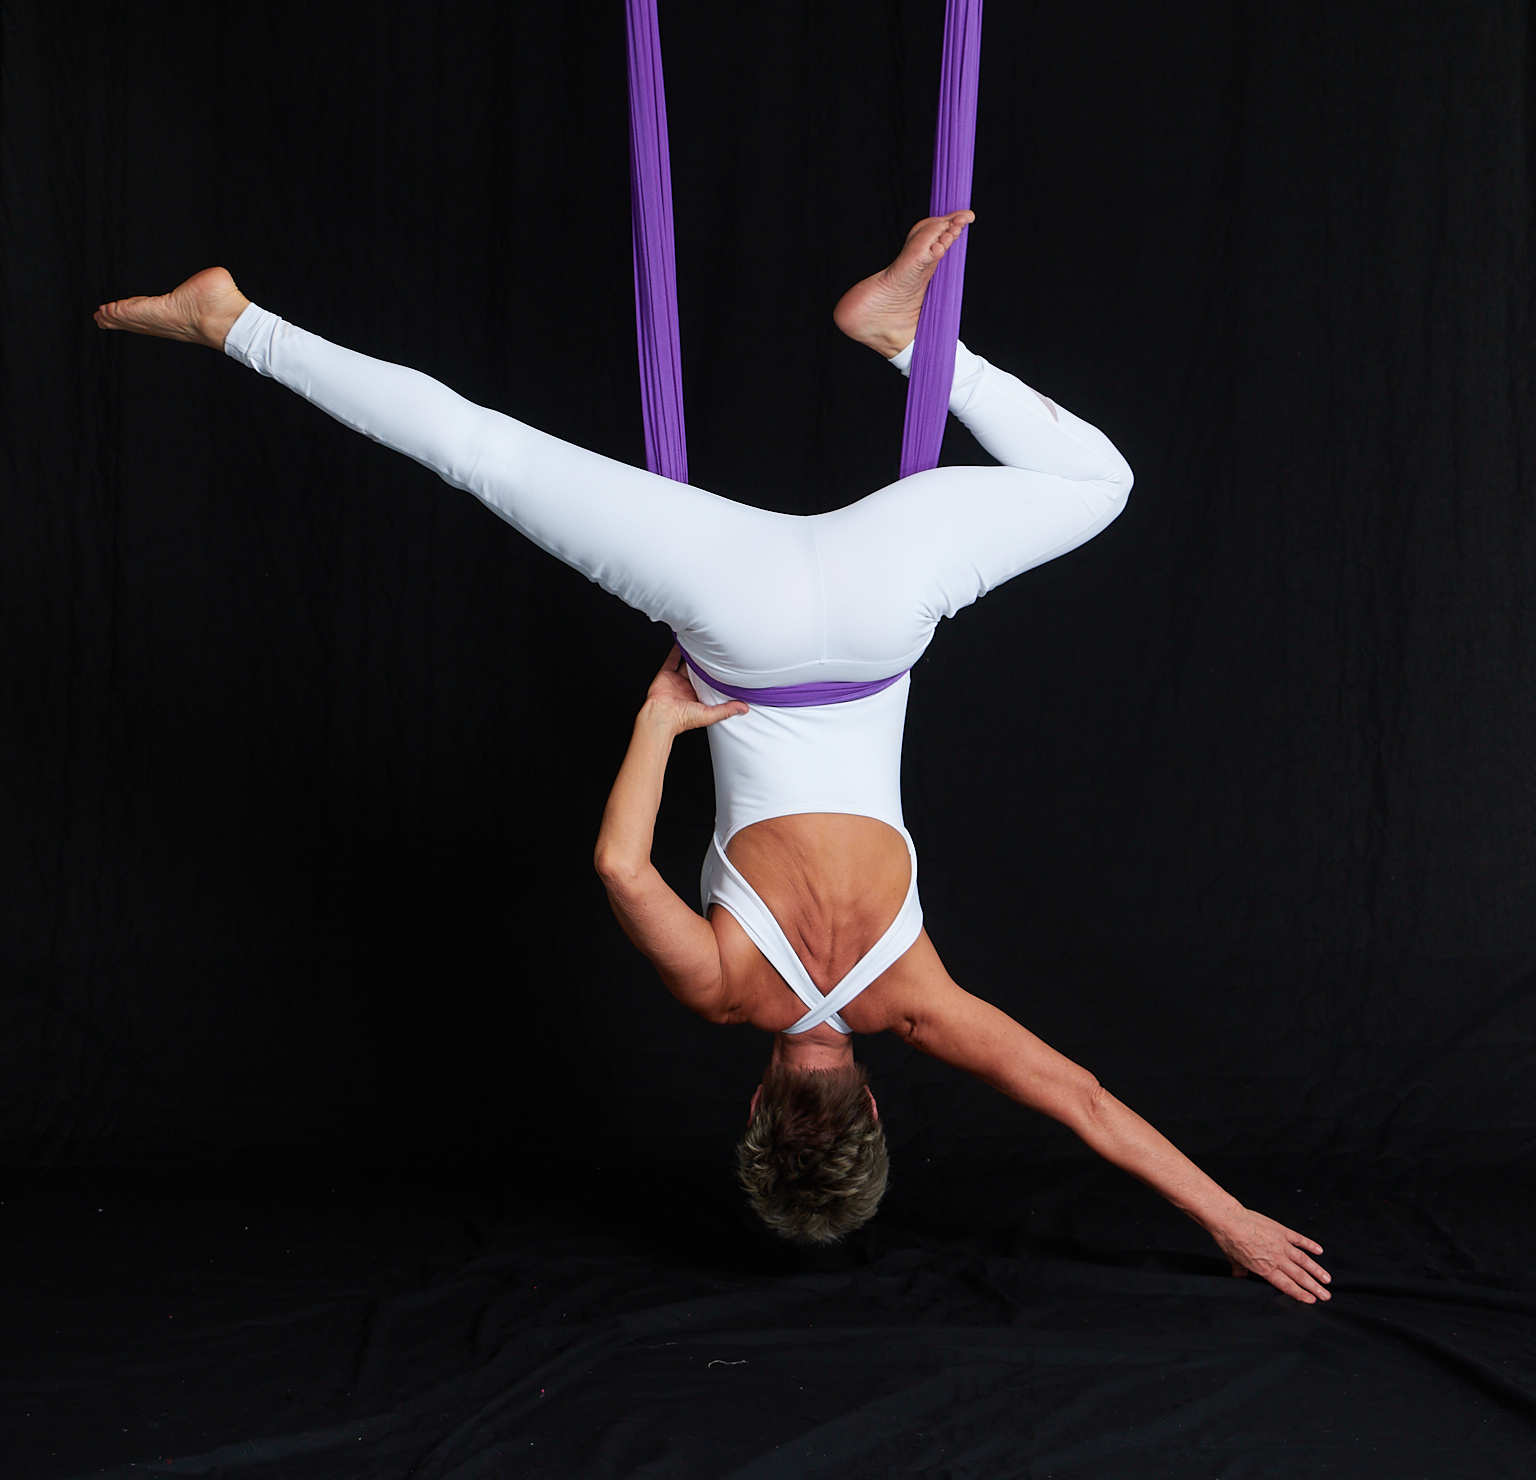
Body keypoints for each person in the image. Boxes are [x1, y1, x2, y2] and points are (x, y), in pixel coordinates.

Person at [95, 213, 1331, 1303]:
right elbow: (621, 869)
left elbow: (1087, 1104)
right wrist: (659, 723)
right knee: (484, 451)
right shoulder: (726, 989)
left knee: (1098, 479)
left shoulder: (920, 1004)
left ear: (874, 1105)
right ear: (755, 1104)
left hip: (879, 612)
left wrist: (1229, 1217)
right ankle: (231, 322)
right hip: (733, 618)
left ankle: (906, 340)